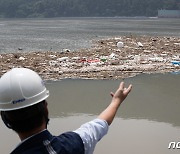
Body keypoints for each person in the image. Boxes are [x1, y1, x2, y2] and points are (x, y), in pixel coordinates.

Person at [0, 67, 132, 154]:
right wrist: (116, 101)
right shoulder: (74, 144)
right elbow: (100, 124)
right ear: (46, 109)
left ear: (5, 119)